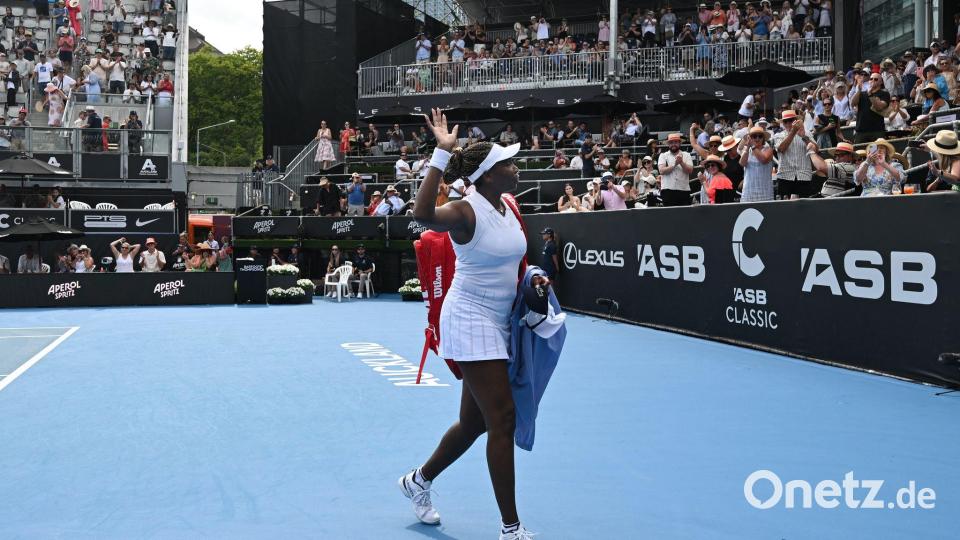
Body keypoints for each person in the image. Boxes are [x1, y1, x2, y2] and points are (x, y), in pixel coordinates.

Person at [405, 108, 540, 540]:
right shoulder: (465, 212)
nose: (516, 168)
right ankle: (511, 529)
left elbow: (515, 260)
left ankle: (418, 481)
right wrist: (441, 155)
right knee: (502, 419)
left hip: (500, 320)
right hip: (468, 317)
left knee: (475, 423)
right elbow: (423, 215)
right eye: (508, 163)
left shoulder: (509, 205)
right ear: (487, 174)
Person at [774, 110, 814, 199]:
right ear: (783, 123)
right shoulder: (779, 135)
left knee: (805, 208)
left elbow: (816, 149)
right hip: (785, 175)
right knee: (784, 208)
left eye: (791, 120)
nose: (788, 123)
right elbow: (781, 149)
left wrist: (804, 136)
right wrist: (793, 131)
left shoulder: (806, 133)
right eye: (785, 121)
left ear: (795, 120)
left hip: (804, 175)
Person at [738, 126, 775, 201]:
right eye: (754, 136)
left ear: (763, 138)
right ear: (750, 138)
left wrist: (753, 146)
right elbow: (742, 163)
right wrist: (748, 148)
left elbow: (763, 160)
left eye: (760, 136)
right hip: (749, 192)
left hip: (765, 192)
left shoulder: (769, 150)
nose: (757, 139)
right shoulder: (747, 150)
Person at [657, 133, 694, 206]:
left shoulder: (687, 155)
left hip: (683, 190)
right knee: (669, 215)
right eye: (671, 142)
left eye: (676, 142)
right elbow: (661, 171)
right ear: (668, 144)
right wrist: (675, 164)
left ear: (680, 143)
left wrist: (681, 163)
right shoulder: (663, 155)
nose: (673, 144)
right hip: (668, 191)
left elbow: (690, 170)